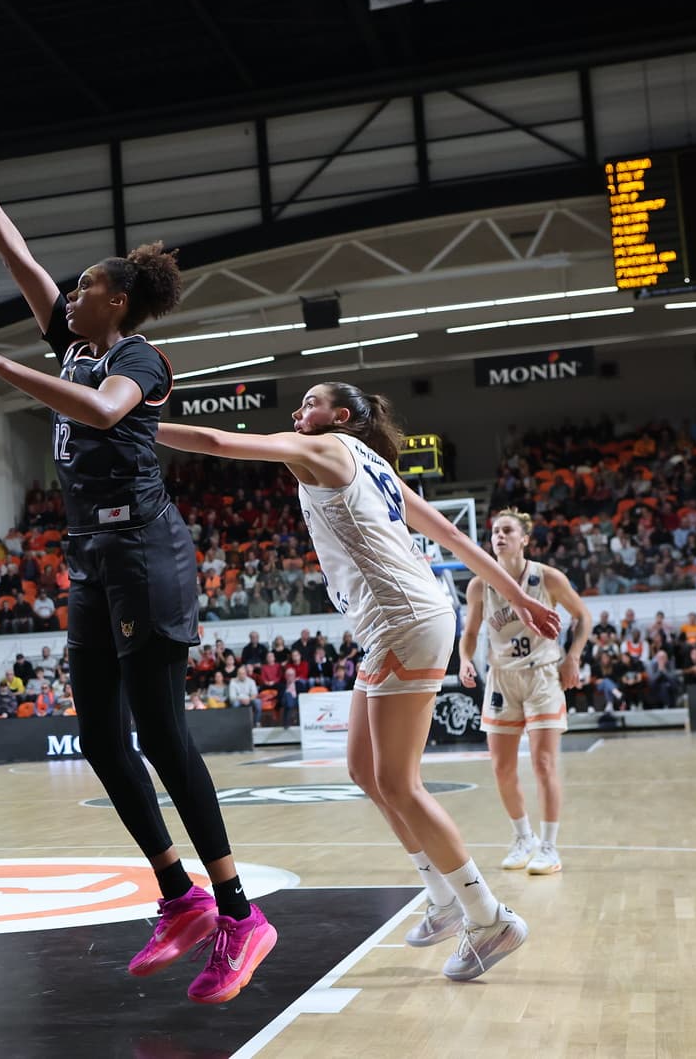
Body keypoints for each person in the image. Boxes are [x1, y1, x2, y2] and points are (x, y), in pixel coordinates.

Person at [0, 92, 276, 1005]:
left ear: (117, 300)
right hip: (90, 559)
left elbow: (107, 413)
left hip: (148, 553)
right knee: (97, 735)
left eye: (83, 286)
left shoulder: (139, 362)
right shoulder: (75, 345)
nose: (69, 293)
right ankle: (179, 895)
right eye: (72, 287)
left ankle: (241, 913)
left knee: (162, 734)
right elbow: (18, 250)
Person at [158, 381, 560, 982]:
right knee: (364, 772)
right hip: (392, 622)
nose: (298, 413)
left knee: (400, 782)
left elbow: (217, 440)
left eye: (309, 404)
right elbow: (450, 539)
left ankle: (488, 916)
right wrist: (518, 598)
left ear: (340, 417)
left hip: (405, 619)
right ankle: (445, 896)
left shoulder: (329, 449)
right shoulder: (373, 464)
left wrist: (129, 424)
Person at [457, 508, 589, 879]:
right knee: (501, 767)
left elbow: (584, 616)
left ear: (524, 539)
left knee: (543, 763)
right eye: (495, 531)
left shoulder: (546, 578)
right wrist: (465, 660)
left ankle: (549, 846)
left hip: (543, 676)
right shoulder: (479, 584)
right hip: (501, 679)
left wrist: (573, 657)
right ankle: (523, 838)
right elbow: (469, 634)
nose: (499, 536)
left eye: (507, 530)